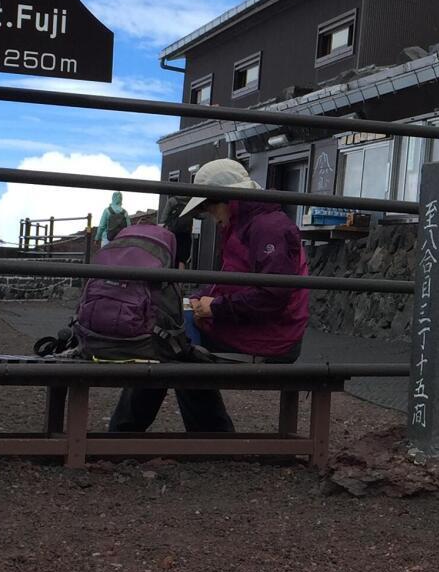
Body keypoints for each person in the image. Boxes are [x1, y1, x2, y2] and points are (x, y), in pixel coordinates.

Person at [110, 157, 309, 435]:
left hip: (272, 335)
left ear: (224, 200)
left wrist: (216, 307)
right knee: (176, 340)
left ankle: (126, 433)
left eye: (208, 208)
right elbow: (237, 283)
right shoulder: (251, 225)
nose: (211, 217)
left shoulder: (265, 228)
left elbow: (273, 294)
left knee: (172, 343)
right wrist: (204, 297)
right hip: (264, 328)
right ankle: (210, 434)